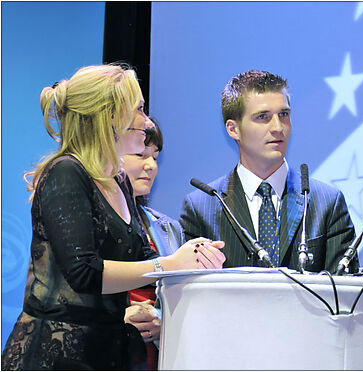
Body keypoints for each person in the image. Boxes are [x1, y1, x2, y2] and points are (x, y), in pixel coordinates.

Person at [1, 64, 225, 370]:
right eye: (140, 110)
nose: (147, 122)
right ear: (111, 117)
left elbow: (139, 254)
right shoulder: (66, 173)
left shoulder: (117, 180)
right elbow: (84, 273)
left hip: (105, 352)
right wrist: (168, 264)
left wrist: (193, 256)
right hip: (55, 357)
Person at [180, 70, 358, 272]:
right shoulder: (201, 207)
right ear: (233, 129)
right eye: (263, 117)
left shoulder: (326, 202)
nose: (278, 127)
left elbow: (345, 293)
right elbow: (189, 293)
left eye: (284, 114)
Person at [122, 118, 182, 370]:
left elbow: (183, 302)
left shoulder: (168, 228)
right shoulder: (86, 219)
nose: (150, 166)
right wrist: (115, 317)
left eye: (155, 157)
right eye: (140, 154)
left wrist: (163, 322)